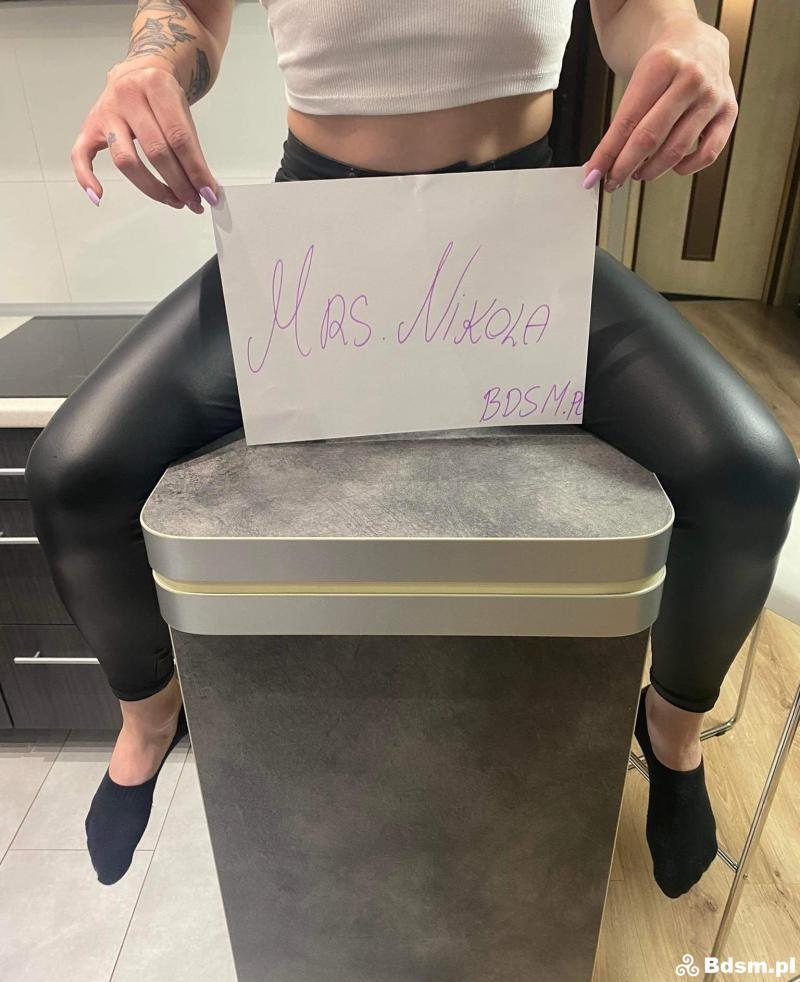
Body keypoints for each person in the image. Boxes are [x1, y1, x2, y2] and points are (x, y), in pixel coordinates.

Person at [24, 0, 799, 897]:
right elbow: (190, 11)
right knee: (74, 473)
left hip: (517, 233)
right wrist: (149, 63)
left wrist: (685, 36)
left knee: (749, 473)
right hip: (319, 240)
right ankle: (150, 716)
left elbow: (634, 8)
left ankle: (671, 728)